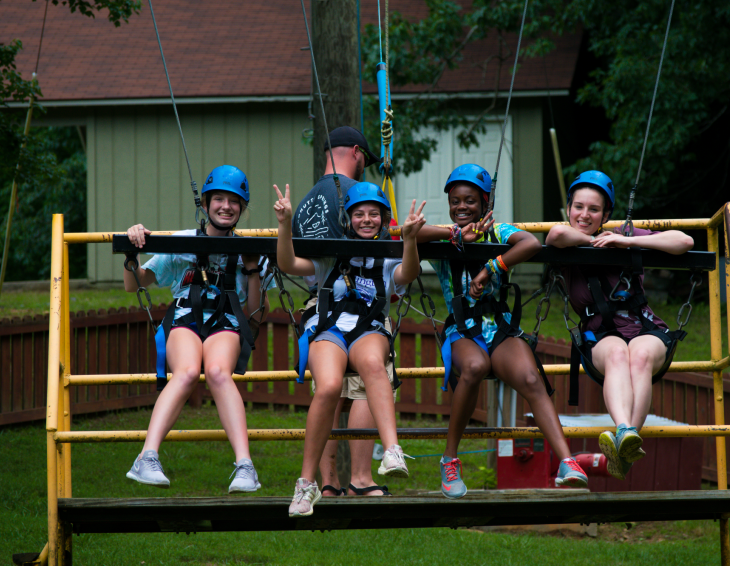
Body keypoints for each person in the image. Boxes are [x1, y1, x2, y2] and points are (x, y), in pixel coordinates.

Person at [417, 163, 589, 498]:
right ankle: (449, 459)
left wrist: (493, 265)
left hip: (499, 328)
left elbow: (530, 244)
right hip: (463, 330)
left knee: (530, 378)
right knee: (475, 367)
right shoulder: (444, 235)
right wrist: (453, 235)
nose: (461, 207)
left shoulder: (497, 233)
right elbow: (410, 233)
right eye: (455, 201)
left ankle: (567, 461)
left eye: (469, 200)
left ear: (484, 203)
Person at [274, 181, 425, 516]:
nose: (367, 220)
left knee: (373, 364)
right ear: (349, 219)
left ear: (384, 220)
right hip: (330, 328)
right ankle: (306, 483)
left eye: (374, 214)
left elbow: (408, 272)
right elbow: (288, 264)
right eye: (360, 214)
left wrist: (410, 240)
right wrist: (285, 225)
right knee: (327, 386)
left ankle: (391, 450)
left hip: (367, 329)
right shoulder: (331, 255)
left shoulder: (387, 258)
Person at [122, 165, 269, 493]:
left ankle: (245, 466)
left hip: (225, 321)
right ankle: (146, 457)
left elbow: (257, 310)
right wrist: (132, 251)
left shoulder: (250, 250)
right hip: (186, 318)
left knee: (218, 372)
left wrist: (253, 267)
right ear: (205, 204)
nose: (226, 206)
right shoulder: (182, 243)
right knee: (187, 372)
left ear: (242, 208)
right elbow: (134, 285)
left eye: (234, 201)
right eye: (219, 199)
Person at [546, 170, 694, 479]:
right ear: (569, 208)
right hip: (600, 334)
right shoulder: (568, 238)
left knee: (638, 356)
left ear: (606, 214)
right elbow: (555, 237)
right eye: (578, 207)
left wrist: (624, 241)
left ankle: (626, 437)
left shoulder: (625, 233)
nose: (584, 214)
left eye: (594, 209)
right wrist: (595, 242)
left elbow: (685, 241)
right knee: (617, 355)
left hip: (643, 327)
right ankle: (625, 433)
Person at [293, 126, 394, 498]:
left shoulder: (303, 204)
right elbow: (384, 250)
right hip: (360, 304)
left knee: (328, 391)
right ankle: (362, 479)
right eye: (365, 160)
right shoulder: (358, 197)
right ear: (356, 152)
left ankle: (328, 481)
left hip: (317, 306)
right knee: (368, 384)